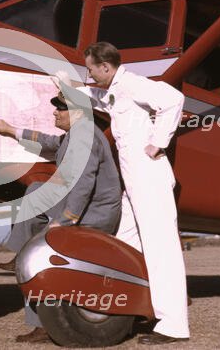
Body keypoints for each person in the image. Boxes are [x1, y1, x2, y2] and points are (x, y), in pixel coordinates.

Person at [73, 41, 189, 345]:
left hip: (148, 176)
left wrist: (158, 141)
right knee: (124, 242)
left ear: (105, 67)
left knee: (161, 248)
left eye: (90, 69)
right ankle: (137, 305)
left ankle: (173, 324)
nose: (90, 75)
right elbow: (101, 98)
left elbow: (173, 99)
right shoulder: (116, 88)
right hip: (134, 181)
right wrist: (71, 92)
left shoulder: (135, 84)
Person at [0, 85, 122, 344]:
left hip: (94, 215)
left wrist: (65, 221)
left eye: (61, 108)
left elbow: (83, 184)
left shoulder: (85, 137)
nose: (55, 112)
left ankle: (23, 258)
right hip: (83, 208)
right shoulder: (75, 134)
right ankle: (23, 258)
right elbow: (48, 142)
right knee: (37, 190)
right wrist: (11, 130)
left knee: (36, 248)